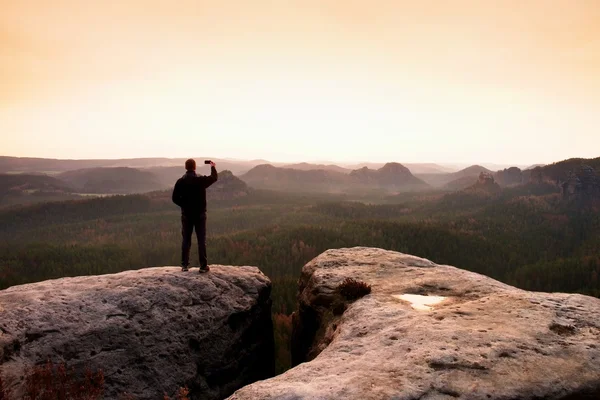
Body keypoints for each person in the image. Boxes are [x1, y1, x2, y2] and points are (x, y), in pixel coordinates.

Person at [172, 159, 218, 273]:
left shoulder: (180, 182)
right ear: (195, 167)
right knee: (201, 240)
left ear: (185, 167)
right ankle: (203, 266)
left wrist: (184, 205)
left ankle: (185, 265)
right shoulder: (200, 180)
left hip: (186, 215)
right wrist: (212, 166)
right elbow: (214, 178)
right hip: (200, 215)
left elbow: (174, 198)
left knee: (186, 240)